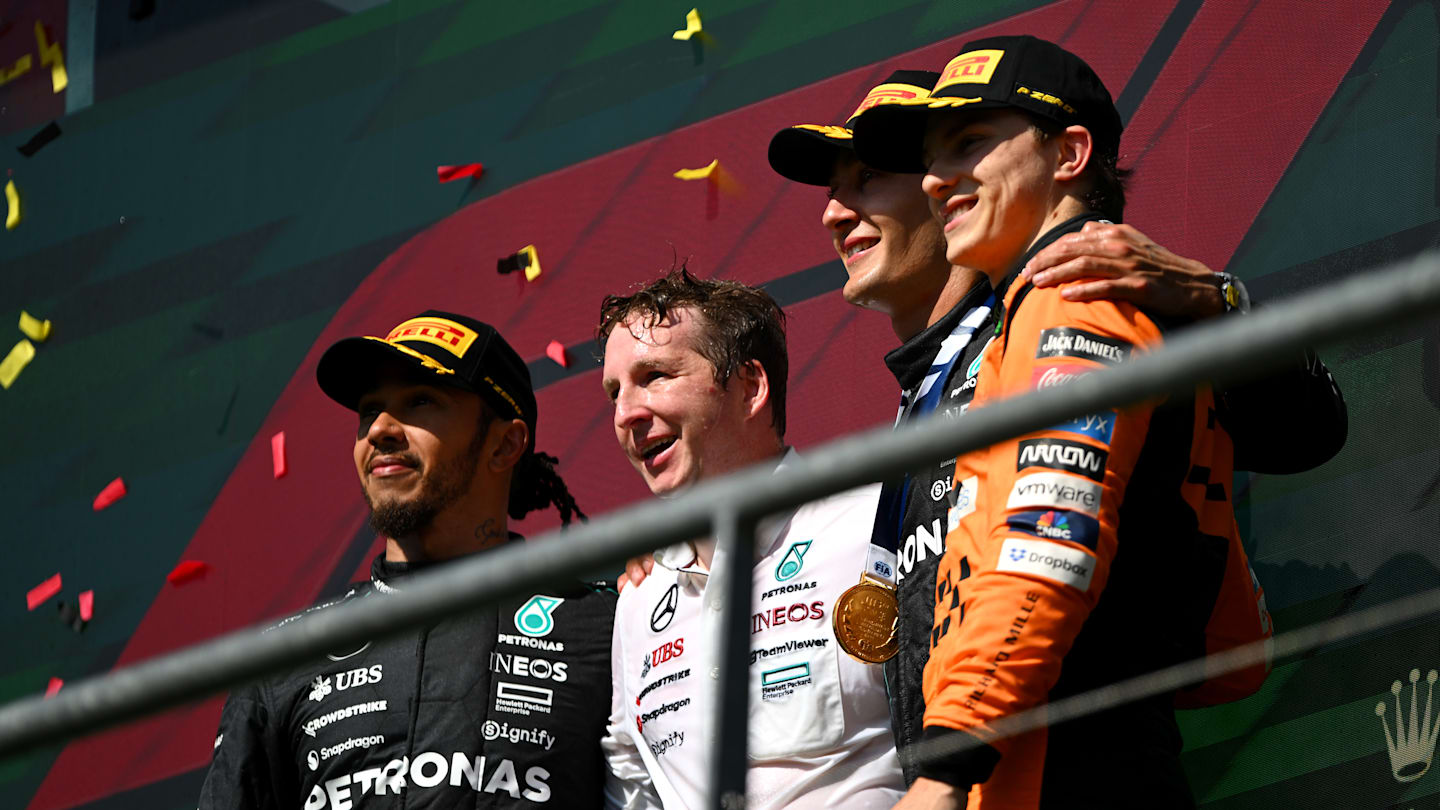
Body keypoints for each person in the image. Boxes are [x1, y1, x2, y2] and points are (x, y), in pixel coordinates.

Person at [764, 65, 1345, 787]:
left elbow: (1309, 431)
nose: (833, 212)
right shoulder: (927, 395)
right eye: (832, 188)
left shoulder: (1077, 292)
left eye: (869, 177)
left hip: (1070, 771)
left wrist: (1214, 298)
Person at [198, 311, 616, 809]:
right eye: (368, 410)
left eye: (420, 401)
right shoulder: (280, 661)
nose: (379, 430)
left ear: (505, 444)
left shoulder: (608, 628)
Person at [597, 270, 904, 809]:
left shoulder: (875, 524)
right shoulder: (638, 601)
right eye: (614, 392)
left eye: (656, 376)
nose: (626, 414)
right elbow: (631, 785)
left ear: (750, 387)